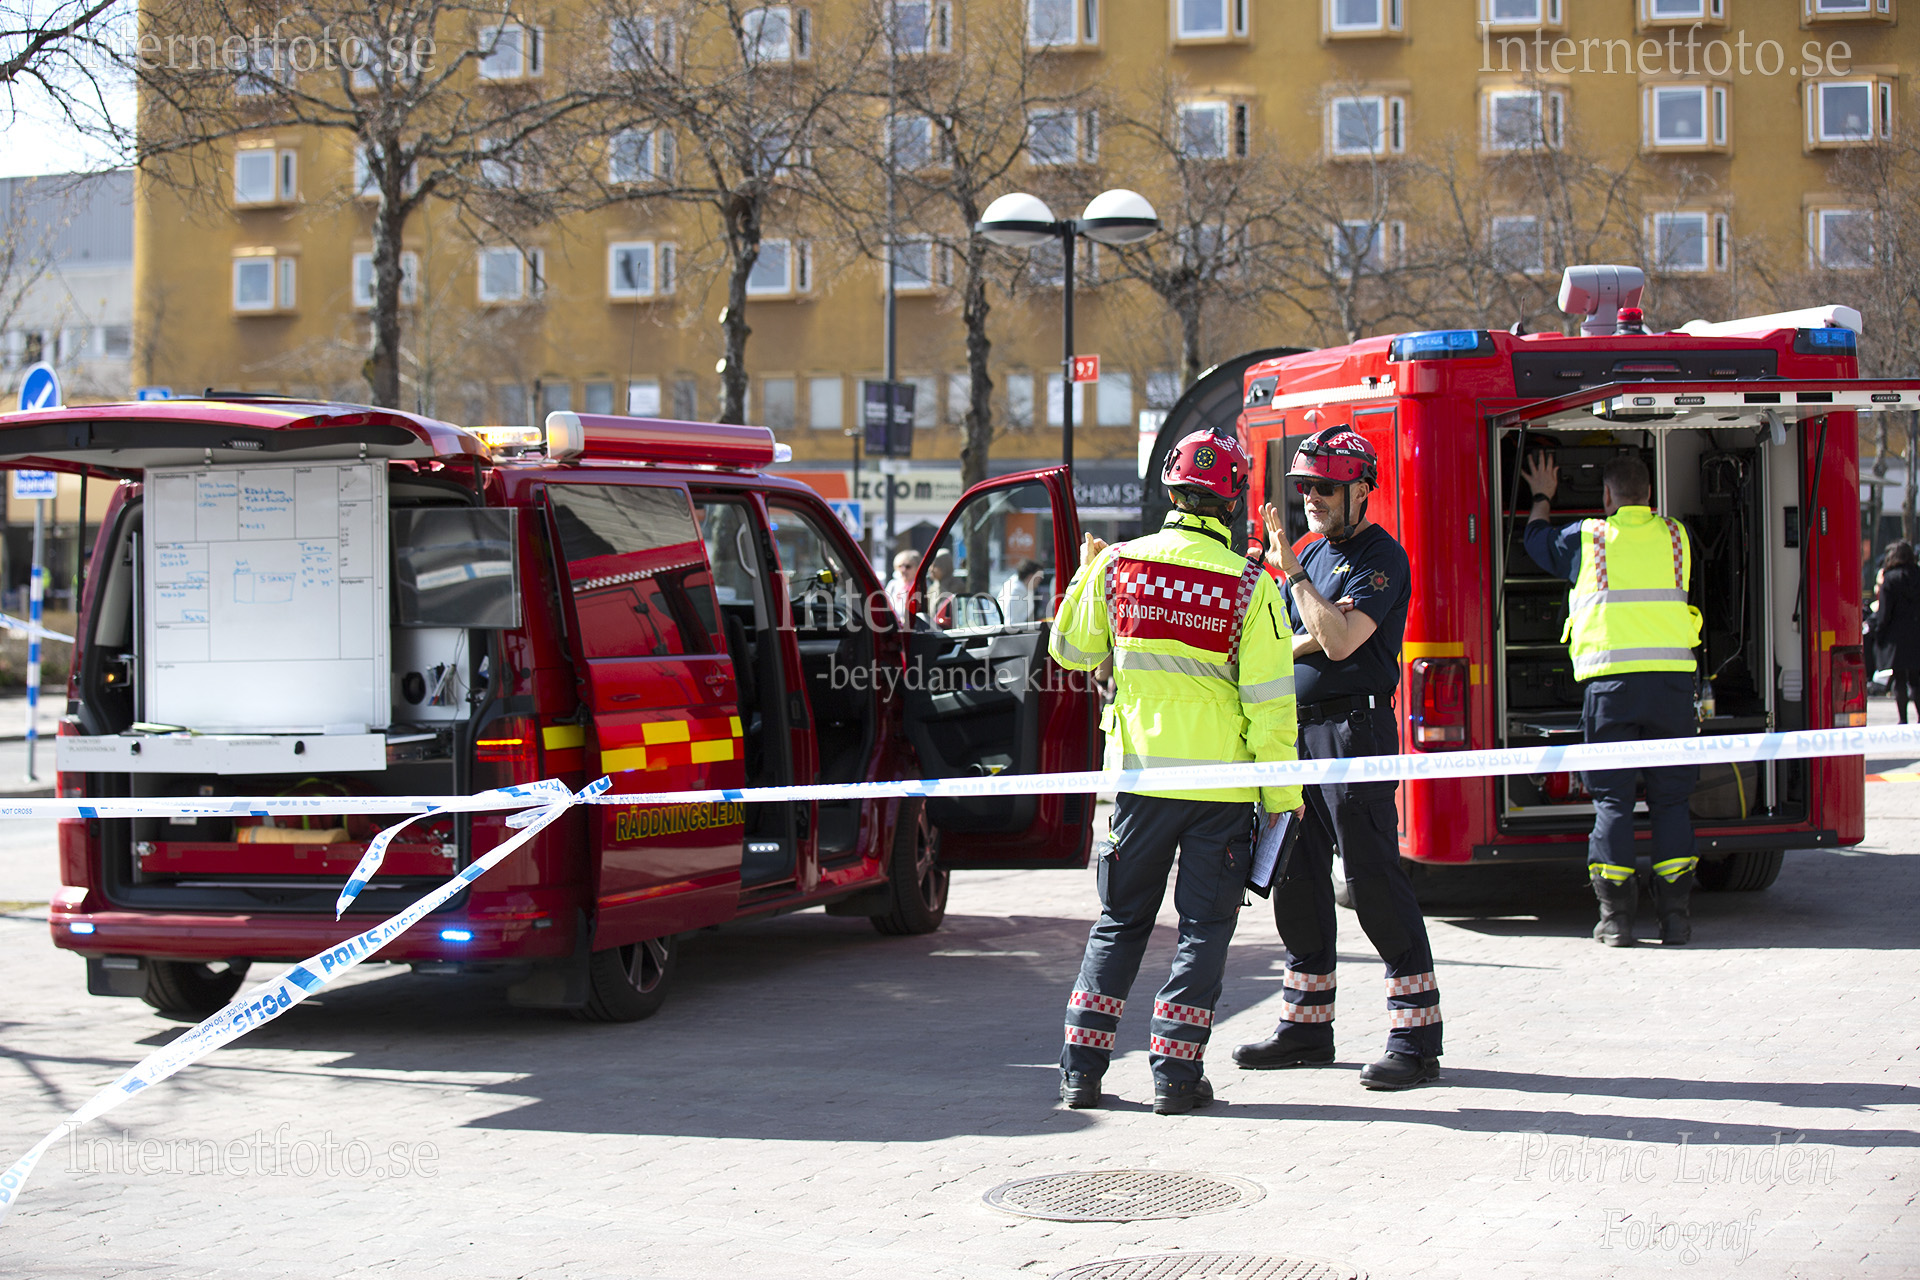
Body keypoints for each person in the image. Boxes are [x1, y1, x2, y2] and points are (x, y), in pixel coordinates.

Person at [1050, 429, 1302, 1116]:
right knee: (1203, 931)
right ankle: (1176, 1077)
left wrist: (1083, 570)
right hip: (1219, 794)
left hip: (1140, 785)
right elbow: (1273, 713)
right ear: (1232, 501)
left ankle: (1081, 1071)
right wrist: (1283, 800)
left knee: (1120, 922)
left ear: (1170, 490)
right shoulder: (1253, 588)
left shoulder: (1119, 568)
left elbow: (1071, 650)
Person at [1234, 425, 1444, 1092]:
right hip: (1296, 735)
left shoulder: (1379, 557)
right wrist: (1301, 609)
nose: (1313, 499)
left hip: (1355, 733)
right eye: (1304, 487)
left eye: (1325, 486)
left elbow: (1340, 640)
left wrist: (1294, 578)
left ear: (1361, 489)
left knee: (1373, 881)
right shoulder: (1308, 552)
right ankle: (1306, 1026)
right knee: (1294, 878)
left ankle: (1415, 1038)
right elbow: (1283, 641)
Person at [1519, 450, 1702, 946]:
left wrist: (1542, 496)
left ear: (1605, 497)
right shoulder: (1676, 535)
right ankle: (1676, 918)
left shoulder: (1590, 536)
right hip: (1670, 686)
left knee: (1614, 802)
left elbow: (1534, 542)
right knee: (1671, 801)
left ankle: (1617, 919)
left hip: (1612, 687)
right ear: (1649, 495)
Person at [1873, 541, 1920, 722]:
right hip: (1917, 635)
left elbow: (1885, 612)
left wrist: (1880, 632)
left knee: (1899, 678)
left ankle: (1903, 719)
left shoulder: (1890, 579)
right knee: (1916, 679)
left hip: (1897, 638)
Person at [997, 558, 1046, 624]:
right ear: (1030, 577)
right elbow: (1010, 622)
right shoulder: (1015, 592)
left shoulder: (1025, 588)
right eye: (1039, 578)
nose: (1040, 581)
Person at [885, 550, 918, 620]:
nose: (903, 570)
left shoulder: (920, 585)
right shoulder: (893, 585)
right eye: (900, 566)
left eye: (908, 566)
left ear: (917, 567)